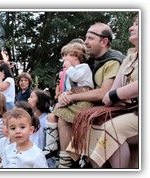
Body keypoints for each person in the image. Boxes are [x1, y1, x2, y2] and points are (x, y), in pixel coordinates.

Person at [66, 14, 139, 168]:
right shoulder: (129, 59)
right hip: (129, 110)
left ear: (104, 41)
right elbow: (109, 94)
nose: (131, 28)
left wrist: (116, 95)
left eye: (138, 24)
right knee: (90, 123)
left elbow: (111, 92)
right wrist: (114, 95)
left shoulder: (115, 59)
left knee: (110, 128)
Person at [56, 23, 125, 168]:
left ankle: (73, 162)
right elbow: (80, 86)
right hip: (94, 105)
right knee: (60, 114)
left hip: (112, 109)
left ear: (104, 41)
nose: (86, 41)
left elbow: (103, 92)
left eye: (91, 38)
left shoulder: (113, 61)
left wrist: (71, 97)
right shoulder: (91, 61)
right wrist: (65, 95)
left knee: (65, 115)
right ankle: (68, 160)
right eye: (86, 37)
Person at [43, 41, 94, 158]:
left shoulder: (83, 67)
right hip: (72, 100)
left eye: (66, 55)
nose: (64, 58)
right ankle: (52, 146)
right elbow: (68, 88)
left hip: (83, 101)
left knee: (69, 120)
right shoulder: (69, 71)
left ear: (76, 56)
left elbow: (77, 77)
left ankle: (77, 154)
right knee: (51, 117)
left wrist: (69, 68)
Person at [28, 89, 56, 168]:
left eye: (31, 97)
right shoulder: (31, 117)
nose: (28, 99)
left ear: (40, 101)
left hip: (44, 160)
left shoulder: (48, 119)